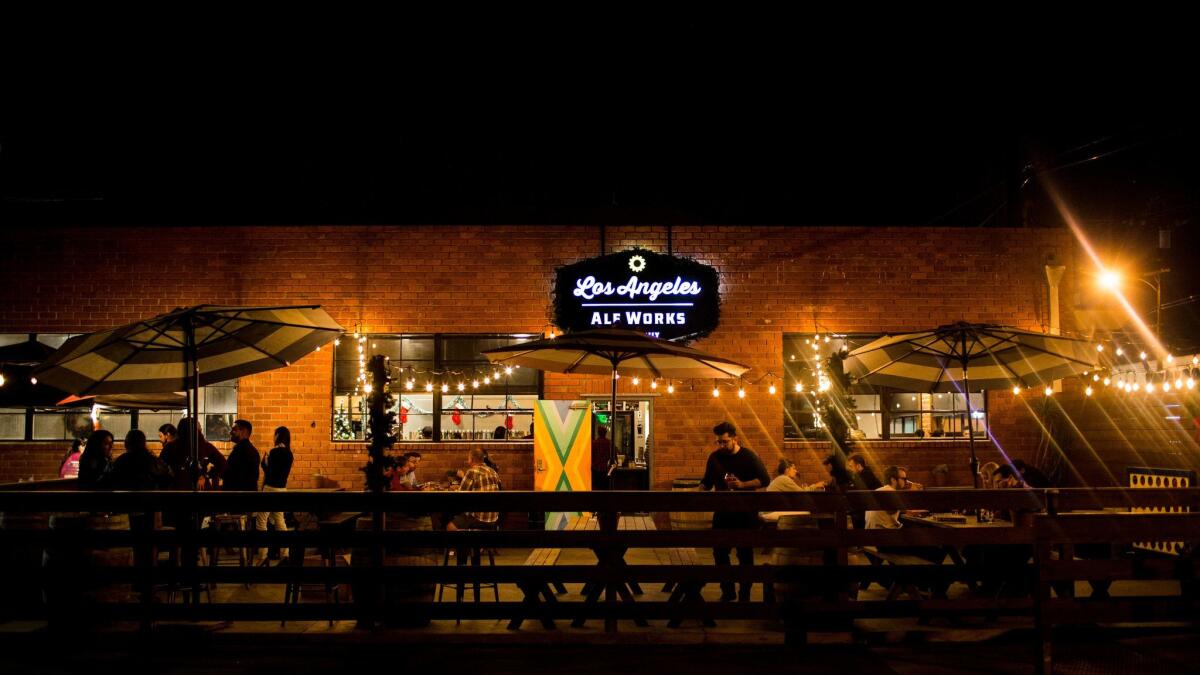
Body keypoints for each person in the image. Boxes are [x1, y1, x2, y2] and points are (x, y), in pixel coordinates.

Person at [699, 421, 770, 602]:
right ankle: (727, 590)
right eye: (719, 442)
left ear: (735, 439)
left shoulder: (749, 457)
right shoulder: (714, 458)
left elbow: (764, 479)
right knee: (720, 552)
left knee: (744, 554)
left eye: (725, 442)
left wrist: (742, 485)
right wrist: (698, 495)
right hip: (722, 513)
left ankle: (744, 593)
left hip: (745, 514)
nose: (722, 445)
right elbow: (706, 482)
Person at [254, 426, 294, 565]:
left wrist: (264, 464)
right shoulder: (289, 454)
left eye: (274, 434)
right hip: (282, 490)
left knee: (261, 520)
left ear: (278, 436)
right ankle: (285, 555)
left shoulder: (274, 452)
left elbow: (270, 474)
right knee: (280, 521)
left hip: (270, 489)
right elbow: (281, 474)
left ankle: (262, 555)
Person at [160, 417, 228, 491]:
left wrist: (206, 476)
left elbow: (160, 467)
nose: (201, 430)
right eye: (199, 428)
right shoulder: (205, 446)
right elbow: (222, 463)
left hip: (180, 488)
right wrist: (206, 476)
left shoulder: (171, 447)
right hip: (197, 488)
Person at [447, 447, 501, 531]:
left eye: (468, 458)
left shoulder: (472, 471)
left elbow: (459, 496)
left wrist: (455, 489)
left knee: (450, 527)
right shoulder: (493, 471)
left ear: (471, 459)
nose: (468, 460)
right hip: (494, 518)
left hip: (479, 518)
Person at [101, 430, 173, 491]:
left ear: (127, 444)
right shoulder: (153, 461)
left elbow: (109, 480)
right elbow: (167, 477)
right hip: (150, 501)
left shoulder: (121, 461)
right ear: (143, 443)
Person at [223, 419, 261, 491]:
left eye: (234, 429)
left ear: (243, 432)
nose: (230, 432)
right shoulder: (253, 451)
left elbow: (228, 474)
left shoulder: (240, 450)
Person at [591, 425, 612, 490]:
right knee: (605, 488)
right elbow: (612, 456)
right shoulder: (609, 443)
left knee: (596, 488)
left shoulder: (594, 443)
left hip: (596, 469)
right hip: (605, 469)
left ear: (598, 433)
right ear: (605, 433)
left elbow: (591, 455)